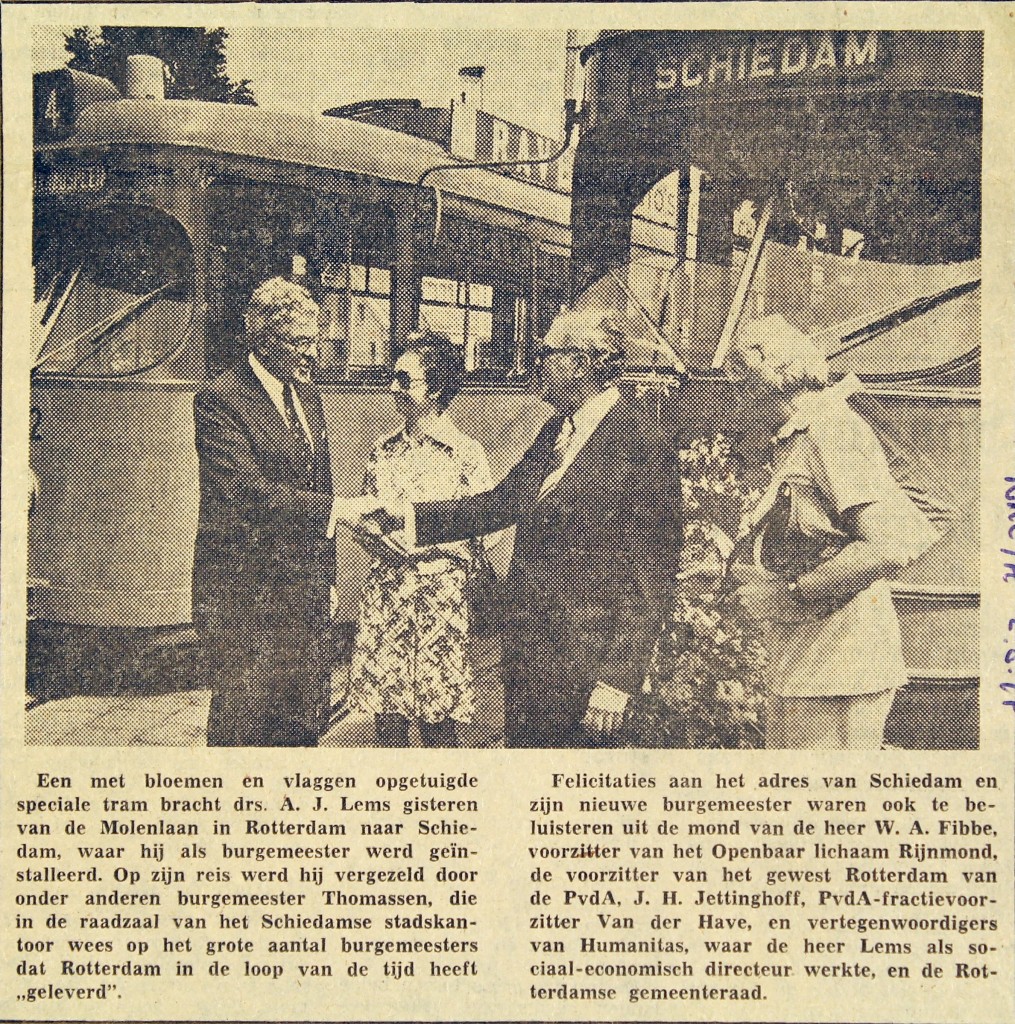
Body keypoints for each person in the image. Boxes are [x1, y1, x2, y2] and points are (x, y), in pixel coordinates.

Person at [376, 307, 682, 748]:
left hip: (587, 667)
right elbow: (499, 504)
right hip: (529, 656)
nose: (539, 363)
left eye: (548, 353)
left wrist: (617, 680)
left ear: (583, 362)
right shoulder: (555, 429)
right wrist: (406, 518)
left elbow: (652, 573)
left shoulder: (643, 439)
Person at [725, 313, 938, 749]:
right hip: (805, 661)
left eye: (738, 376)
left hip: (841, 667)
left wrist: (788, 593)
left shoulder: (831, 430)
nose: (731, 390)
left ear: (769, 375)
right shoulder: (796, 437)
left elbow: (889, 544)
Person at [192, 276, 375, 746]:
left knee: (300, 727)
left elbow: (321, 478)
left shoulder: (306, 393)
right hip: (246, 599)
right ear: (266, 339)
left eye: (313, 341)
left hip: (304, 594)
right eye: (300, 342)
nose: (310, 353)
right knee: (243, 729)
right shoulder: (220, 399)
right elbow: (247, 493)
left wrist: (329, 578)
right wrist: (338, 509)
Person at [349, 333, 495, 747]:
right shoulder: (383, 449)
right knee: (388, 718)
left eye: (403, 379)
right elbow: (364, 513)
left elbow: (489, 526)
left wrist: (448, 557)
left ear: (434, 389)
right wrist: (374, 538)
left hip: (439, 600)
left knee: (438, 719)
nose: (392, 387)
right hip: (387, 595)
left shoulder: (465, 453)